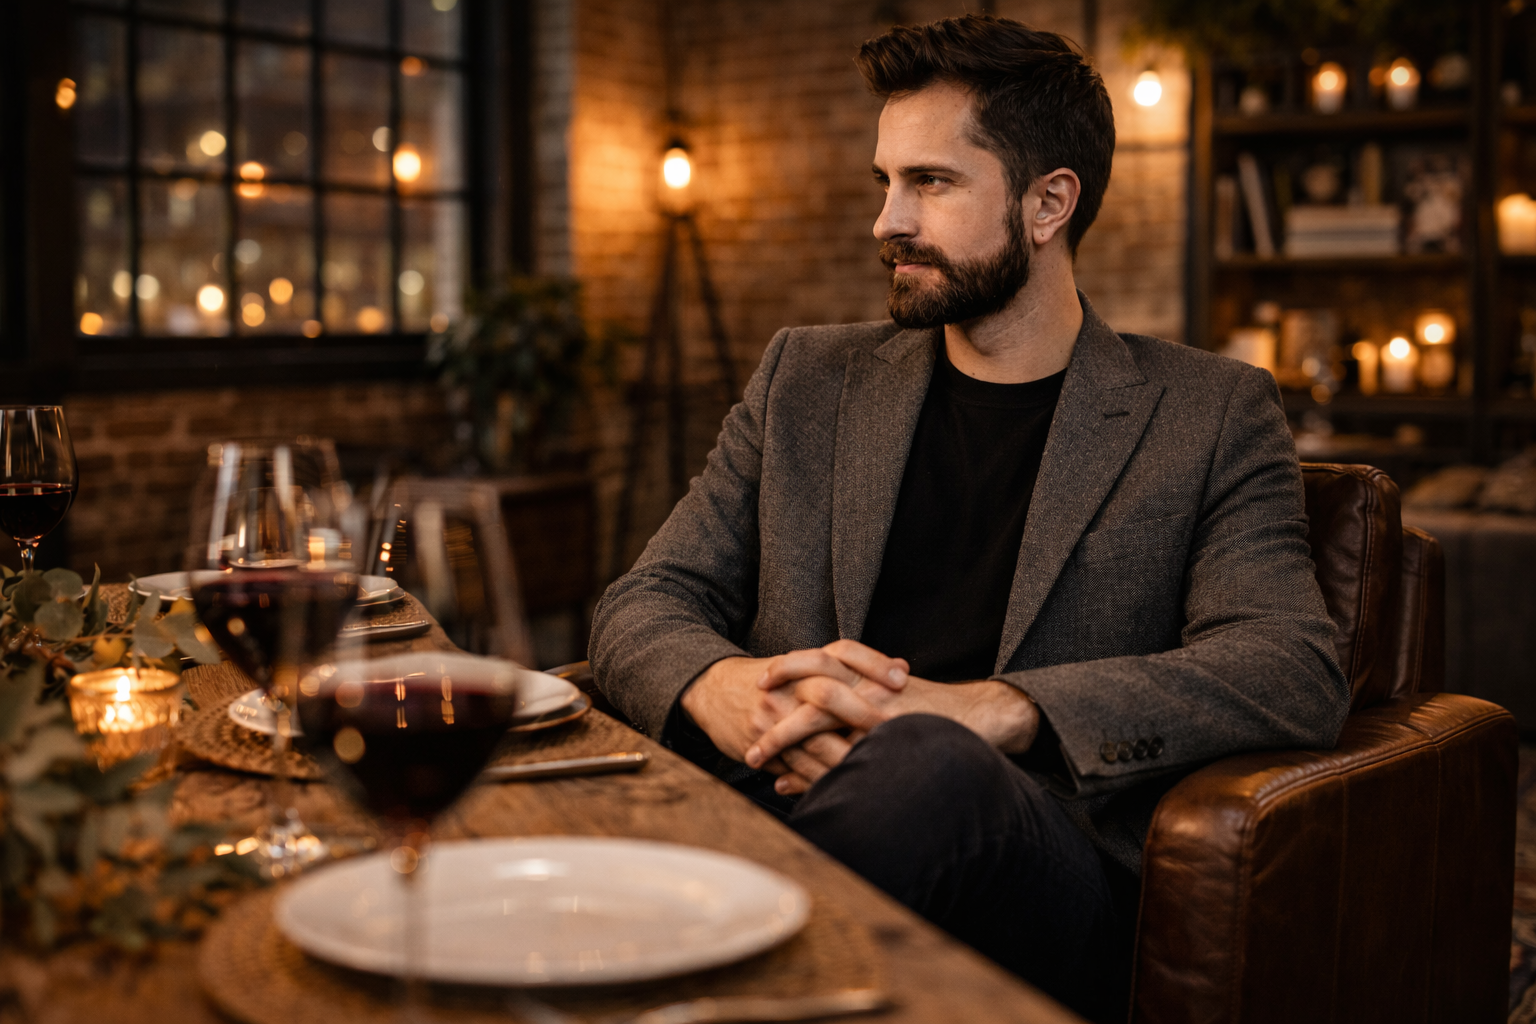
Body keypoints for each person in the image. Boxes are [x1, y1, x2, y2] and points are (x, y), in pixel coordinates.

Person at [589, 14, 1348, 1021]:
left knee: (929, 759)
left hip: (1042, 872)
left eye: (931, 184)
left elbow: (1290, 663)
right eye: (885, 183)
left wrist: (994, 708)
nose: (885, 221)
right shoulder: (806, 379)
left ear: (1048, 204)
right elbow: (645, 600)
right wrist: (731, 688)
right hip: (778, 808)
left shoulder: (1209, 413)